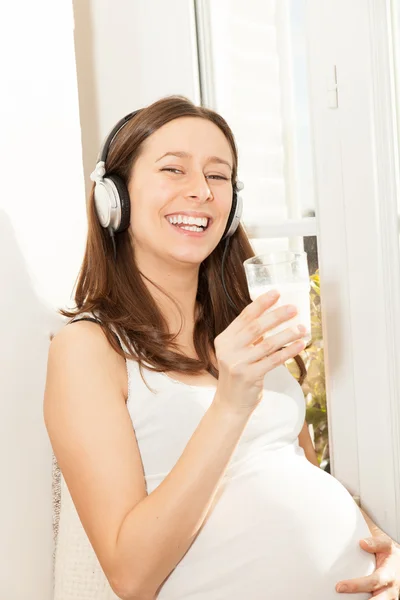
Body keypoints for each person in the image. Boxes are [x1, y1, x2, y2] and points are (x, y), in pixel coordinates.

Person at [44, 95, 400, 600]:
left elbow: (295, 472)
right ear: (113, 197)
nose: (201, 192)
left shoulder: (245, 331)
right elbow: (130, 575)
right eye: (173, 169)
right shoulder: (89, 349)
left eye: (218, 176)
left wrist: (381, 547)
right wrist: (231, 402)